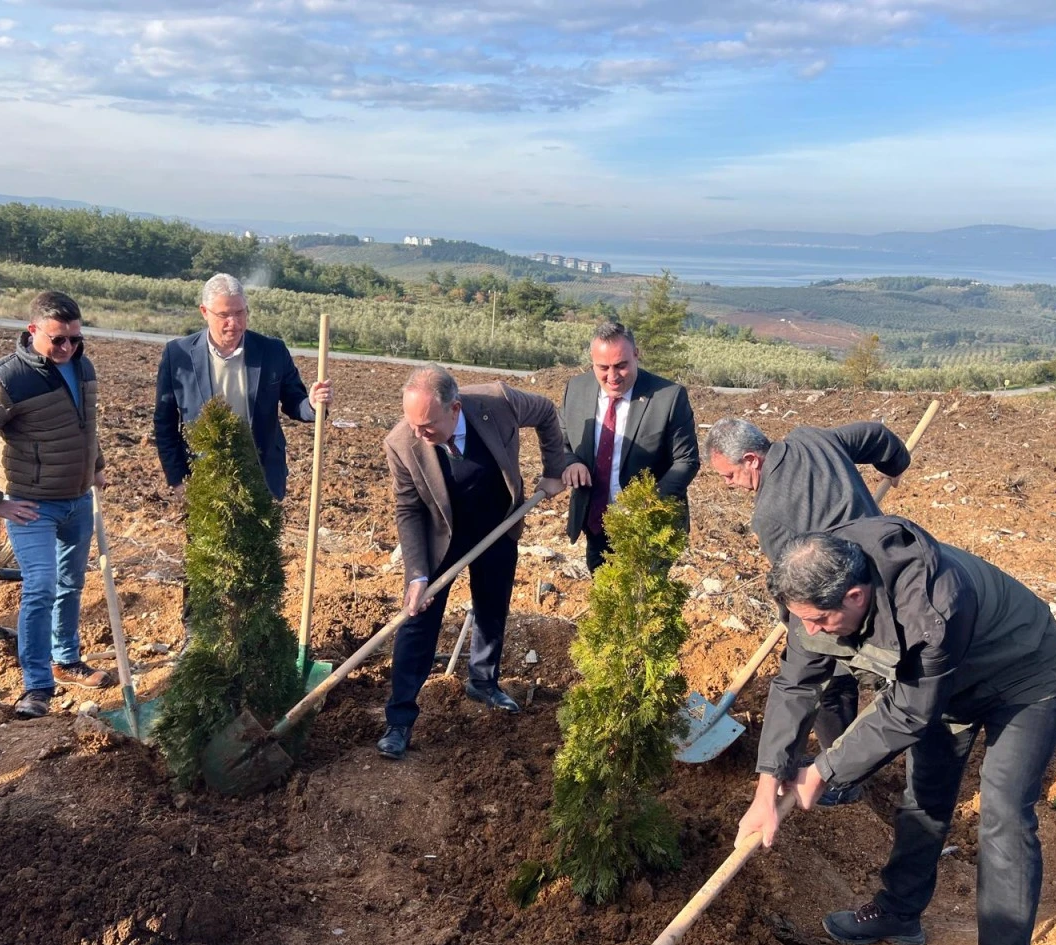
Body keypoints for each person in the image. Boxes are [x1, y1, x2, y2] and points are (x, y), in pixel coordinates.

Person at [736, 518, 1056, 945]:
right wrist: (767, 784)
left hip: (1023, 673)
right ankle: (900, 911)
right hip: (943, 686)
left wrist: (824, 771)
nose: (810, 631)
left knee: (1004, 814)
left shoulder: (933, 602)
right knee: (926, 795)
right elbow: (795, 686)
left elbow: (911, 711)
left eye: (818, 620)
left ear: (855, 596)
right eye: (804, 621)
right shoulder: (815, 596)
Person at [705, 416, 911, 805]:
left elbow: (795, 588)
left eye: (728, 475)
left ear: (752, 460)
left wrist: (796, 631)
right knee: (899, 679)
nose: (727, 485)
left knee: (826, 681)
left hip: (840, 599)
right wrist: (895, 464)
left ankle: (844, 782)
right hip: (888, 575)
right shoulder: (811, 439)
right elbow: (875, 436)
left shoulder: (769, 516)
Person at [378, 364, 566, 759]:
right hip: (441, 535)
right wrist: (417, 575)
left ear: (455, 409)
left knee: (491, 606)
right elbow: (408, 509)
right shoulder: (401, 443)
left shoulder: (499, 401)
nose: (418, 433)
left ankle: (483, 681)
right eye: (412, 423)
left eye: (427, 425)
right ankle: (399, 719)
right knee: (418, 621)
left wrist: (554, 470)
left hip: (498, 522)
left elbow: (548, 413)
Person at [0, 291, 115, 719]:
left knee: (71, 585)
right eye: (57, 340)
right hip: (31, 506)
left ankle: (67, 659)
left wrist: (95, 466)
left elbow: (84, 424)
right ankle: (37, 686)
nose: (67, 349)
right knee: (41, 585)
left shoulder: (83, 365)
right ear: (32, 331)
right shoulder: (4, 379)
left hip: (77, 501)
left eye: (75, 339)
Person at [153, 273, 332, 501]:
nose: (234, 323)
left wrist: (314, 404)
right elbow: (164, 422)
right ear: (204, 312)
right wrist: (178, 479)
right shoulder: (177, 355)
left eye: (240, 313)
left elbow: (296, 403)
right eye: (224, 315)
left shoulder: (272, 352)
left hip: (262, 477)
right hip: (203, 480)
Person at [560, 321, 699, 571]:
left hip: (649, 529)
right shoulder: (576, 389)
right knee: (605, 597)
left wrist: (645, 503)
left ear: (636, 355)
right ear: (592, 360)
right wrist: (571, 462)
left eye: (621, 366)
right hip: (595, 520)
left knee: (642, 603)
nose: (612, 377)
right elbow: (562, 443)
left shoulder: (669, 397)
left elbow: (686, 461)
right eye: (603, 367)